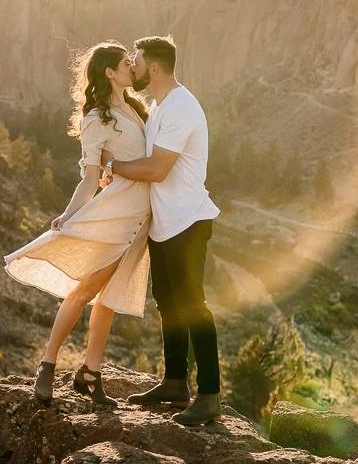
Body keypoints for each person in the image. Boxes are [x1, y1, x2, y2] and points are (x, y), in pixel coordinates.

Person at [3, 41, 151, 407]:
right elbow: (90, 178)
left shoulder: (136, 109)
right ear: (110, 72)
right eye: (126, 63)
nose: (133, 67)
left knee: (109, 297)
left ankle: (89, 372)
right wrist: (69, 215)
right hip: (115, 215)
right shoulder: (96, 119)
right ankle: (48, 364)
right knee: (87, 290)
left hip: (140, 218)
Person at [101, 35, 223, 426]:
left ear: (152, 67)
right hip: (165, 223)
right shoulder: (160, 105)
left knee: (193, 306)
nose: (132, 67)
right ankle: (175, 382)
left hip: (188, 222)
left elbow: (156, 170)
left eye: (135, 61)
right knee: (169, 304)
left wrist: (112, 168)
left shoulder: (182, 108)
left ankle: (209, 395)